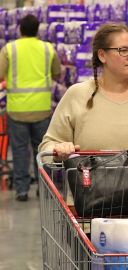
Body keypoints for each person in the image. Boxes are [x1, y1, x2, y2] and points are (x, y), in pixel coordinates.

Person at [39, 23, 128, 166]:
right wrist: (59, 150)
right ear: (102, 55)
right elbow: (47, 146)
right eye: (124, 50)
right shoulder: (77, 94)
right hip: (91, 189)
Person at [0, 15, 61, 201]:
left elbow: (0, 74)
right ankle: (43, 189)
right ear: (38, 30)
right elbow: (57, 74)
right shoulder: (48, 48)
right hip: (42, 109)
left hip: (17, 109)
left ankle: (22, 189)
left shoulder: (9, 49)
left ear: (20, 30)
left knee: (19, 150)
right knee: (41, 150)